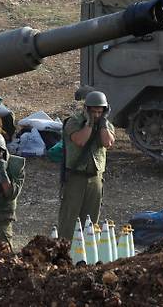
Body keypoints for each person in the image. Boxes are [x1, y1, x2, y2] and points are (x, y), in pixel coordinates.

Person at [57, 91, 115, 239]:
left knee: (90, 221)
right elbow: (80, 141)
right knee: (69, 220)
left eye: (99, 111)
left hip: (95, 178)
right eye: (93, 111)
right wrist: (89, 123)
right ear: (86, 109)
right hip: (75, 177)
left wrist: (102, 123)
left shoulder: (105, 125)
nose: (96, 115)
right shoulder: (74, 122)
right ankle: (65, 250)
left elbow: (107, 142)